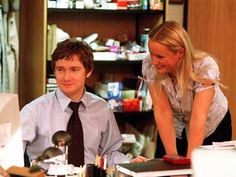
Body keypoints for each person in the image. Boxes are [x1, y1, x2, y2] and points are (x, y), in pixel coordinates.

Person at [20, 38, 148, 168]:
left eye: (74, 69)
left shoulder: (102, 108)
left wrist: (127, 164)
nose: (66, 77)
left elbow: (110, 151)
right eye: (60, 69)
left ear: (88, 71)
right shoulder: (33, 111)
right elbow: (10, 151)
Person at [142, 21, 232, 159]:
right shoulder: (150, 64)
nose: (154, 61)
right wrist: (172, 160)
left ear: (180, 52)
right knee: (167, 169)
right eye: (151, 54)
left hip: (210, 126)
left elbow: (198, 117)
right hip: (175, 126)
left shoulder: (204, 67)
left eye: (160, 56)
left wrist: (189, 165)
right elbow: (162, 110)